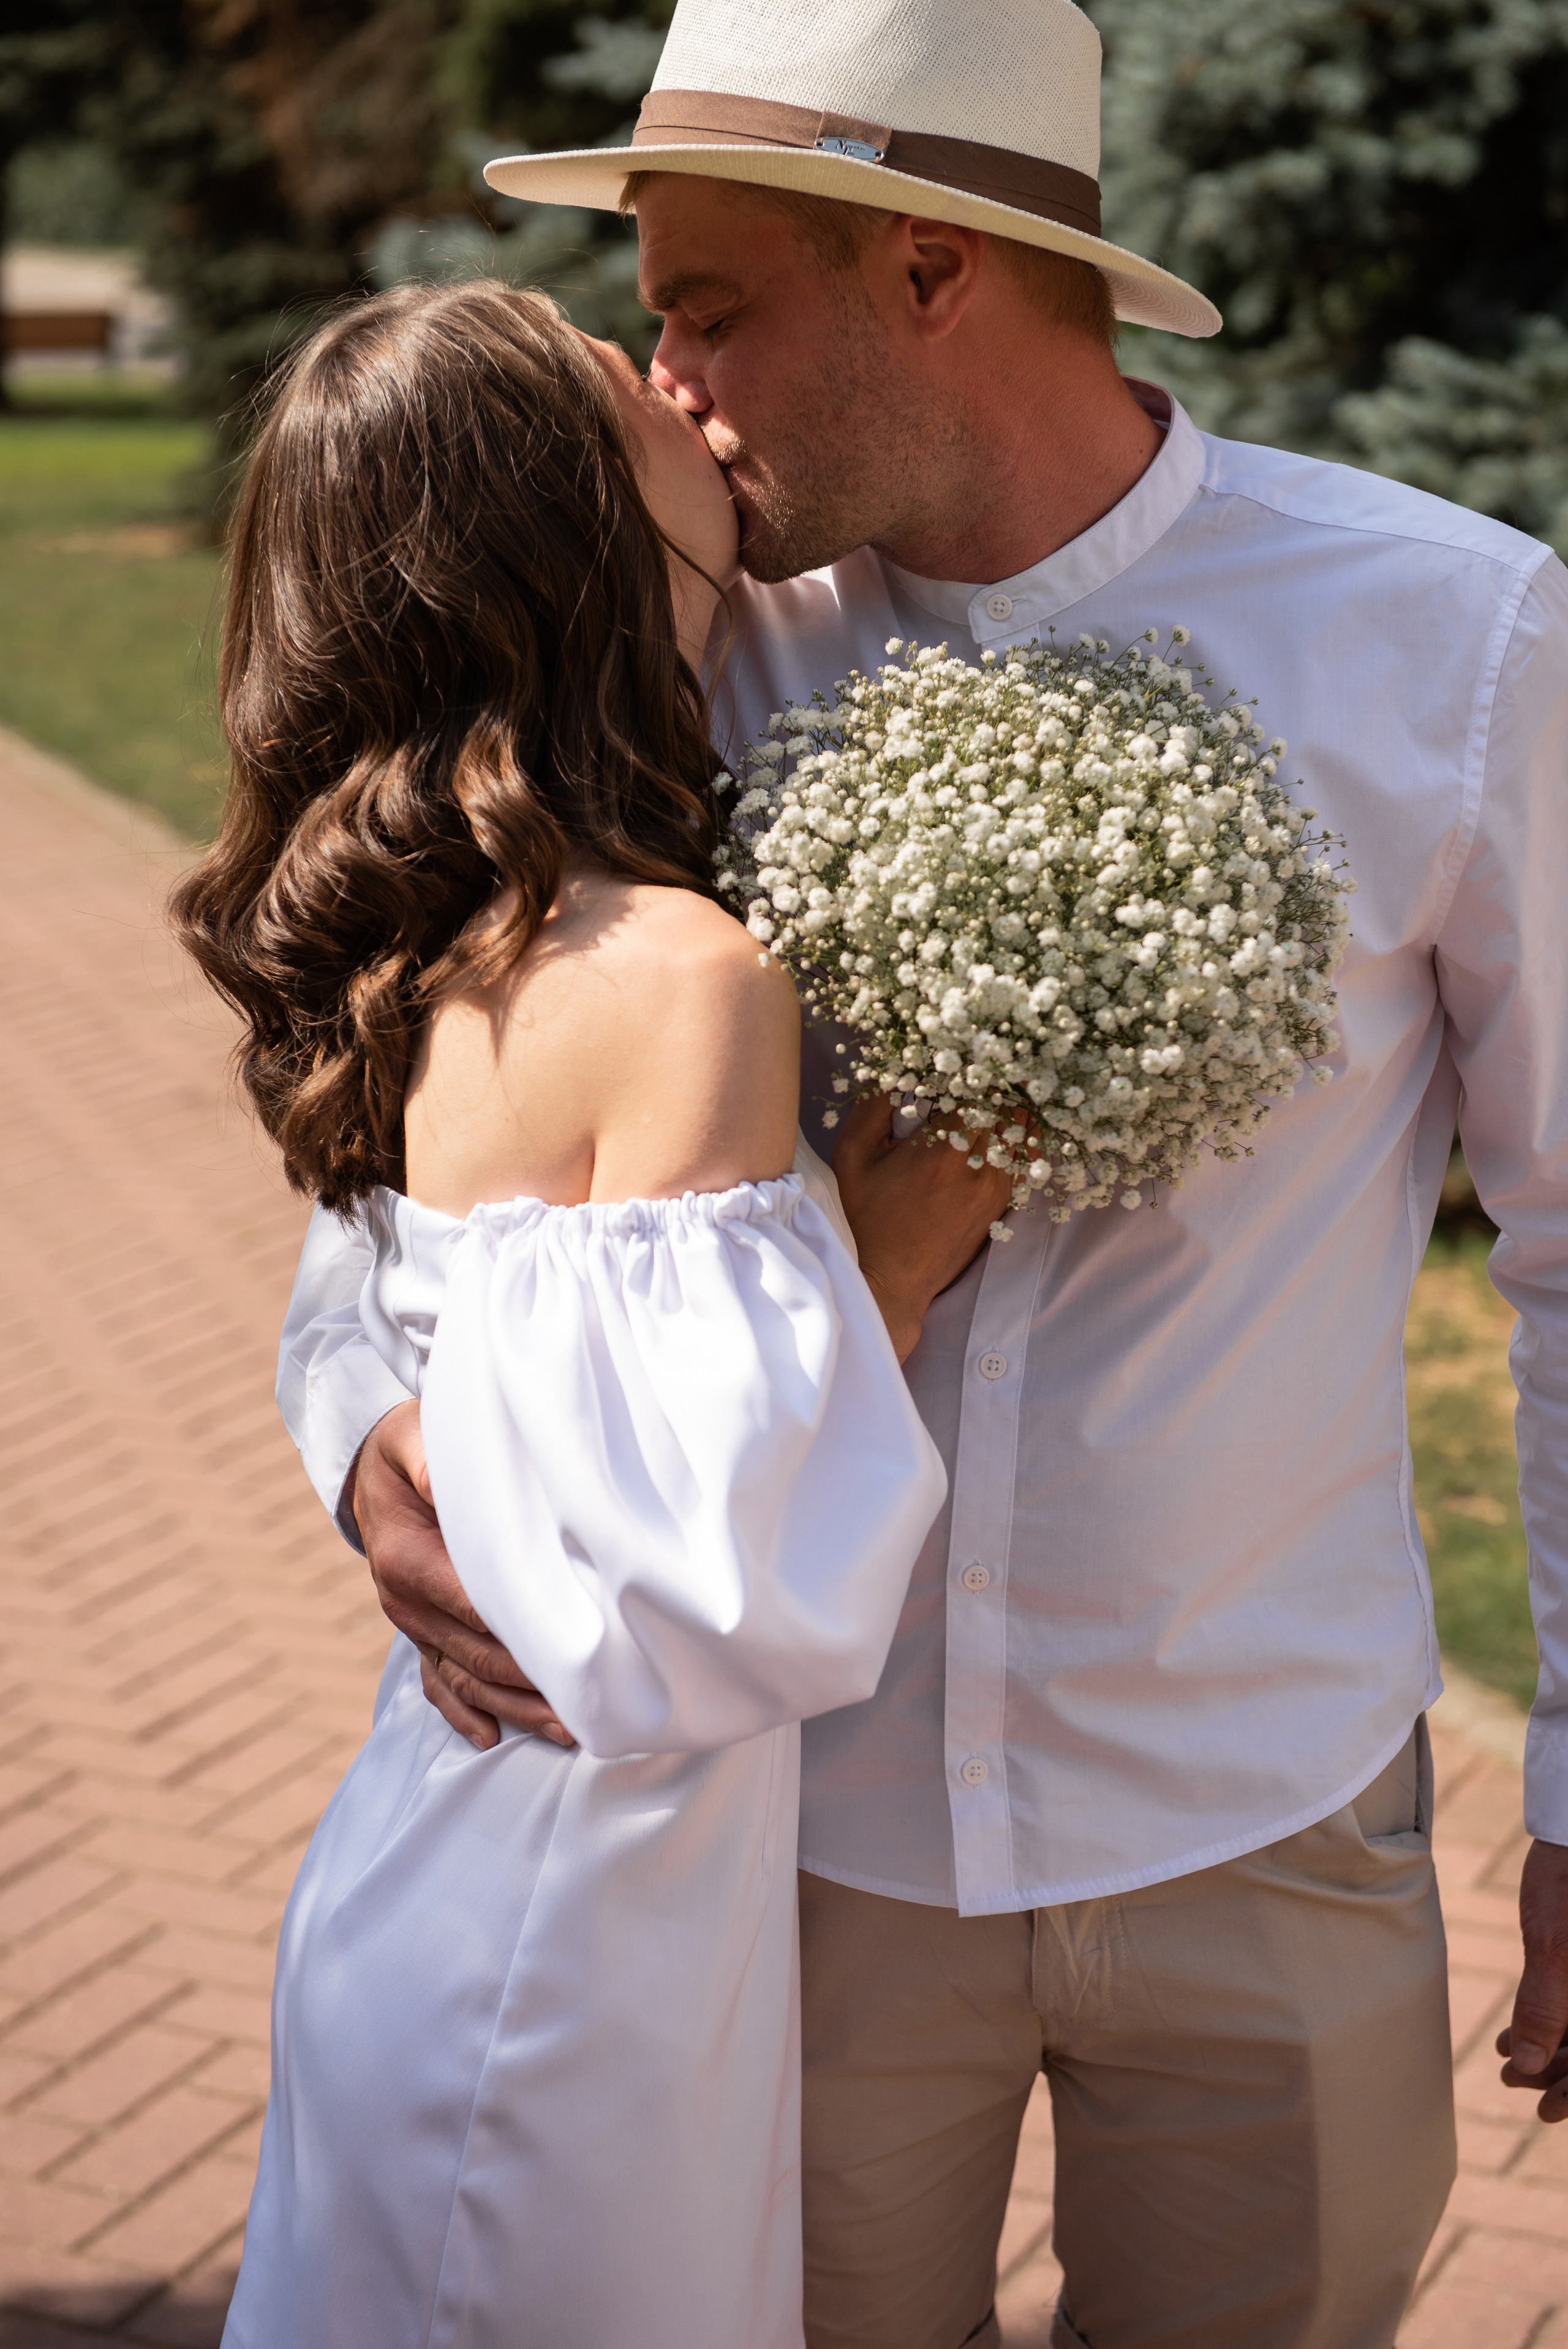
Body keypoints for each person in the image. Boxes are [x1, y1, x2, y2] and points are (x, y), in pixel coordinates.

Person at [278, 1, 1568, 2343]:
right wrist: (357, 1425)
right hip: (790, 1852)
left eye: (706, 303)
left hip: (1261, 1797)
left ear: (932, 270)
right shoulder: (669, 634)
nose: (658, 379)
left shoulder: (1456, 641)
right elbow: (408, 1068)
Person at [172, 278, 956, 2348]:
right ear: (565, 526)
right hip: (571, 1927)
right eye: (630, 382)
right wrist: (908, 1223)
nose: (683, 378)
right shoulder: (680, 973)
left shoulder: (454, 917)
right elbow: (696, 1585)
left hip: (489, 1859)